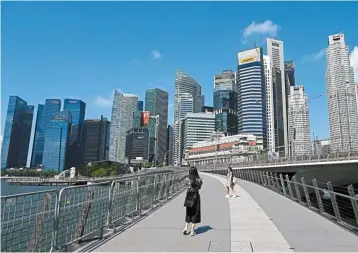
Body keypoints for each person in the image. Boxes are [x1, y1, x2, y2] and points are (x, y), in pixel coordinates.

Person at [183, 167, 202, 236]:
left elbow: (185, 186)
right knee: (195, 213)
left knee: (188, 212)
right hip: (196, 196)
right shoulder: (199, 179)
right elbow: (199, 187)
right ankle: (192, 231)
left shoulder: (187, 179)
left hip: (189, 196)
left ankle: (185, 228)